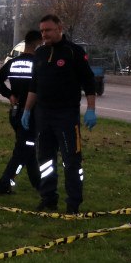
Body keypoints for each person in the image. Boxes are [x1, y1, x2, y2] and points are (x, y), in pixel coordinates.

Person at [21, 14, 97, 214]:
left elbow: (89, 82)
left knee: (72, 160)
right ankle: (48, 198)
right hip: (43, 115)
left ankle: (73, 203)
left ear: (59, 28)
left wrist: (91, 109)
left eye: (48, 30)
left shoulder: (74, 52)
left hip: (66, 116)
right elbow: (34, 85)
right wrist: (27, 110)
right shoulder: (39, 53)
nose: (45, 34)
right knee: (45, 159)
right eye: (42, 31)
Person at [0, 29, 41, 195]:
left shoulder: (14, 63)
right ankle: (4, 183)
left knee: (28, 147)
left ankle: (38, 183)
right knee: (23, 150)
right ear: (38, 44)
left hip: (15, 112)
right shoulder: (38, 64)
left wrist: (9, 95)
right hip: (31, 114)